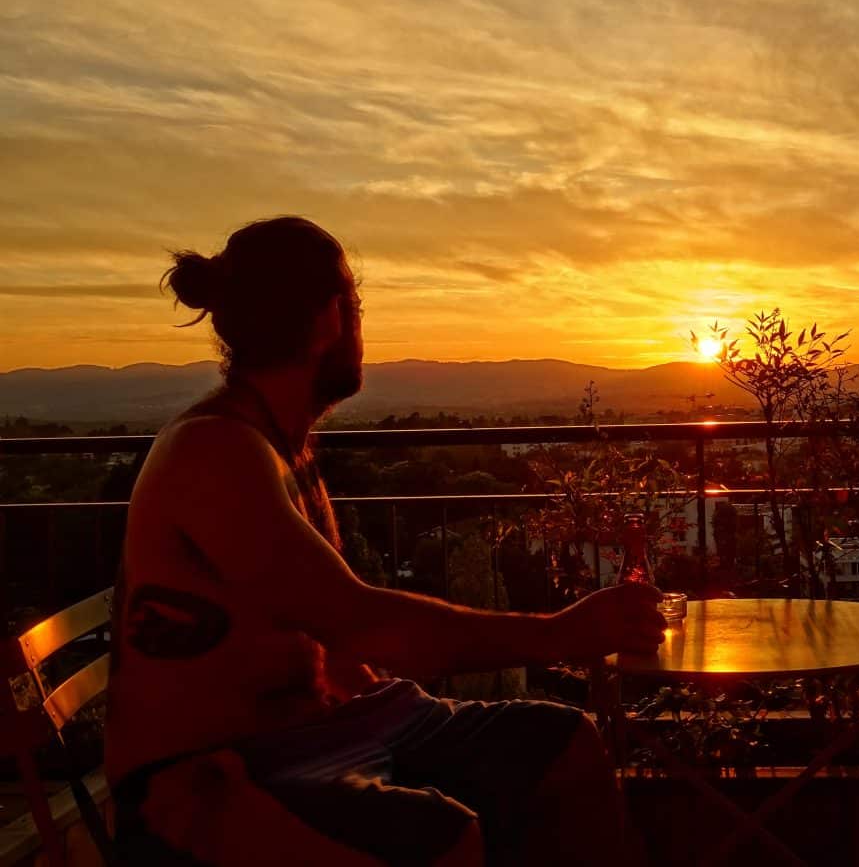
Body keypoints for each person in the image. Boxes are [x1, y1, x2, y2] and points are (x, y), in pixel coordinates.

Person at [104, 216, 667, 865]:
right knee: (442, 836)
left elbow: (325, 636)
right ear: (328, 320)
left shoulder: (276, 445)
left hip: (333, 730)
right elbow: (364, 623)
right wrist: (562, 631)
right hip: (211, 780)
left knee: (567, 744)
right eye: (356, 301)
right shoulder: (215, 452)